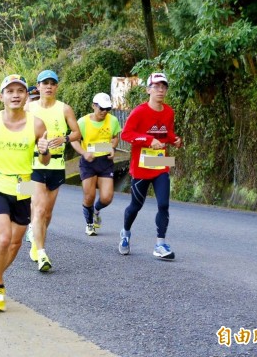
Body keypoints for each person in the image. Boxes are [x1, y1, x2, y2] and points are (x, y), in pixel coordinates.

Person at [0, 74, 50, 311]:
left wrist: (44, 151)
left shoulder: (37, 124)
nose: (15, 95)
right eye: (10, 91)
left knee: (16, 243)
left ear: (27, 95)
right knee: (4, 237)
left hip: (23, 184)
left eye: (20, 91)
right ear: (1, 96)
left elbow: (44, 161)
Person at [118, 72, 182, 260]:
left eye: (163, 87)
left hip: (161, 164)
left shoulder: (169, 112)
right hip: (141, 167)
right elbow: (125, 135)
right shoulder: (139, 112)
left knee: (163, 204)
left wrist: (175, 140)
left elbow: (167, 133)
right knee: (136, 206)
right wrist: (148, 141)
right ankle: (125, 233)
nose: (160, 90)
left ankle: (160, 244)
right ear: (148, 90)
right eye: (156, 87)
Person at [27, 69, 81, 272]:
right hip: (34, 164)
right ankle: (42, 253)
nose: (49, 86)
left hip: (57, 165)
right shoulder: (28, 108)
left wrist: (64, 139)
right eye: (45, 83)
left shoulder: (65, 109)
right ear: (38, 86)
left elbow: (77, 133)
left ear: (57, 87)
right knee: (39, 208)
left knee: (47, 213)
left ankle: (35, 237)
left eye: (52, 83)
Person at [70, 93, 121, 236]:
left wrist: (112, 147)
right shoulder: (82, 122)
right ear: (93, 106)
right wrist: (83, 152)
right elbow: (74, 139)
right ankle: (89, 224)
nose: (104, 112)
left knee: (107, 197)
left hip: (105, 161)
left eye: (107, 109)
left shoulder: (113, 121)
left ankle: (96, 210)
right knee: (89, 196)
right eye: (101, 108)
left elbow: (115, 137)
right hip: (89, 162)